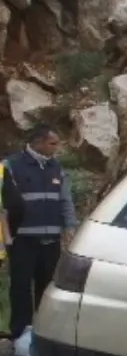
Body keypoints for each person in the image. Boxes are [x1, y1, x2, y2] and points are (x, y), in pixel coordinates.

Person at [2, 124, 78, 340]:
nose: (57, 148)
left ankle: (44, 333)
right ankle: (19, 333)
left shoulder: (57, 168)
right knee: (20, 287)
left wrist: (69, 227)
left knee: (47, 290)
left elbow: (65, 200)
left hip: (50, 241)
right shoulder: (11, 166)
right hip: (22, 240)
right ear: (38, 143)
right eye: (53, 143)